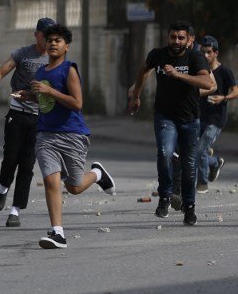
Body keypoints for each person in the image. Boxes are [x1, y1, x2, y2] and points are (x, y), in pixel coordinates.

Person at [19, 24, 115, 249]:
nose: (52, 43)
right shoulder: (41, 72)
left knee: (75, 186)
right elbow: (45, 102)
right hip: (45, 135)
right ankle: (58, 232)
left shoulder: (69, 69)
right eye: (50, 40)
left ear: (66, 47)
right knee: (51, 180)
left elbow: (77, 103)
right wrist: (29, 97)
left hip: (72, 134)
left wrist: (50, 91)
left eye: (58, 41)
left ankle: (98, 173)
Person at [128, 21, 212, 225]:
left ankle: (189, 207)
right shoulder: (158, 54)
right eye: (173, 37)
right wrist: (136, 95)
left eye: (181, 37)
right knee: (165, 153)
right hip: (165, 116)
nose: (176, 41)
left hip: (190, 118)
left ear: (187, 40)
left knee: (189, 165)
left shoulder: (194, 56)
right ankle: (165, 197)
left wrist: (178, 74)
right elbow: (142, 70)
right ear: (168, 37)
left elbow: (207, 83)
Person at [0, 17, 55, 227]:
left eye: (53, 36)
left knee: (27, 164)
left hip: (39, 117)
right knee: (10, 157)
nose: (49, 40)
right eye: (45, 35)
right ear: (37, 35)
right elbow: (2, 71)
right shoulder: (23, 53)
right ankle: (3, 187)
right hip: (18, 113)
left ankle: (15, 211)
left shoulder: (55, 59)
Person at [195, 36, 236, 192]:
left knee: (200, 150)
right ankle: (214, 162)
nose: (206, 56)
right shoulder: (200, 71)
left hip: (216, 119)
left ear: (216, 53)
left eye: (209, 52)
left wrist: (223, 97)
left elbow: (236, 91)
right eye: (203, 52)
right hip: (199, 116)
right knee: (195, 149)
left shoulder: (224, 71)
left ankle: (202, 183)